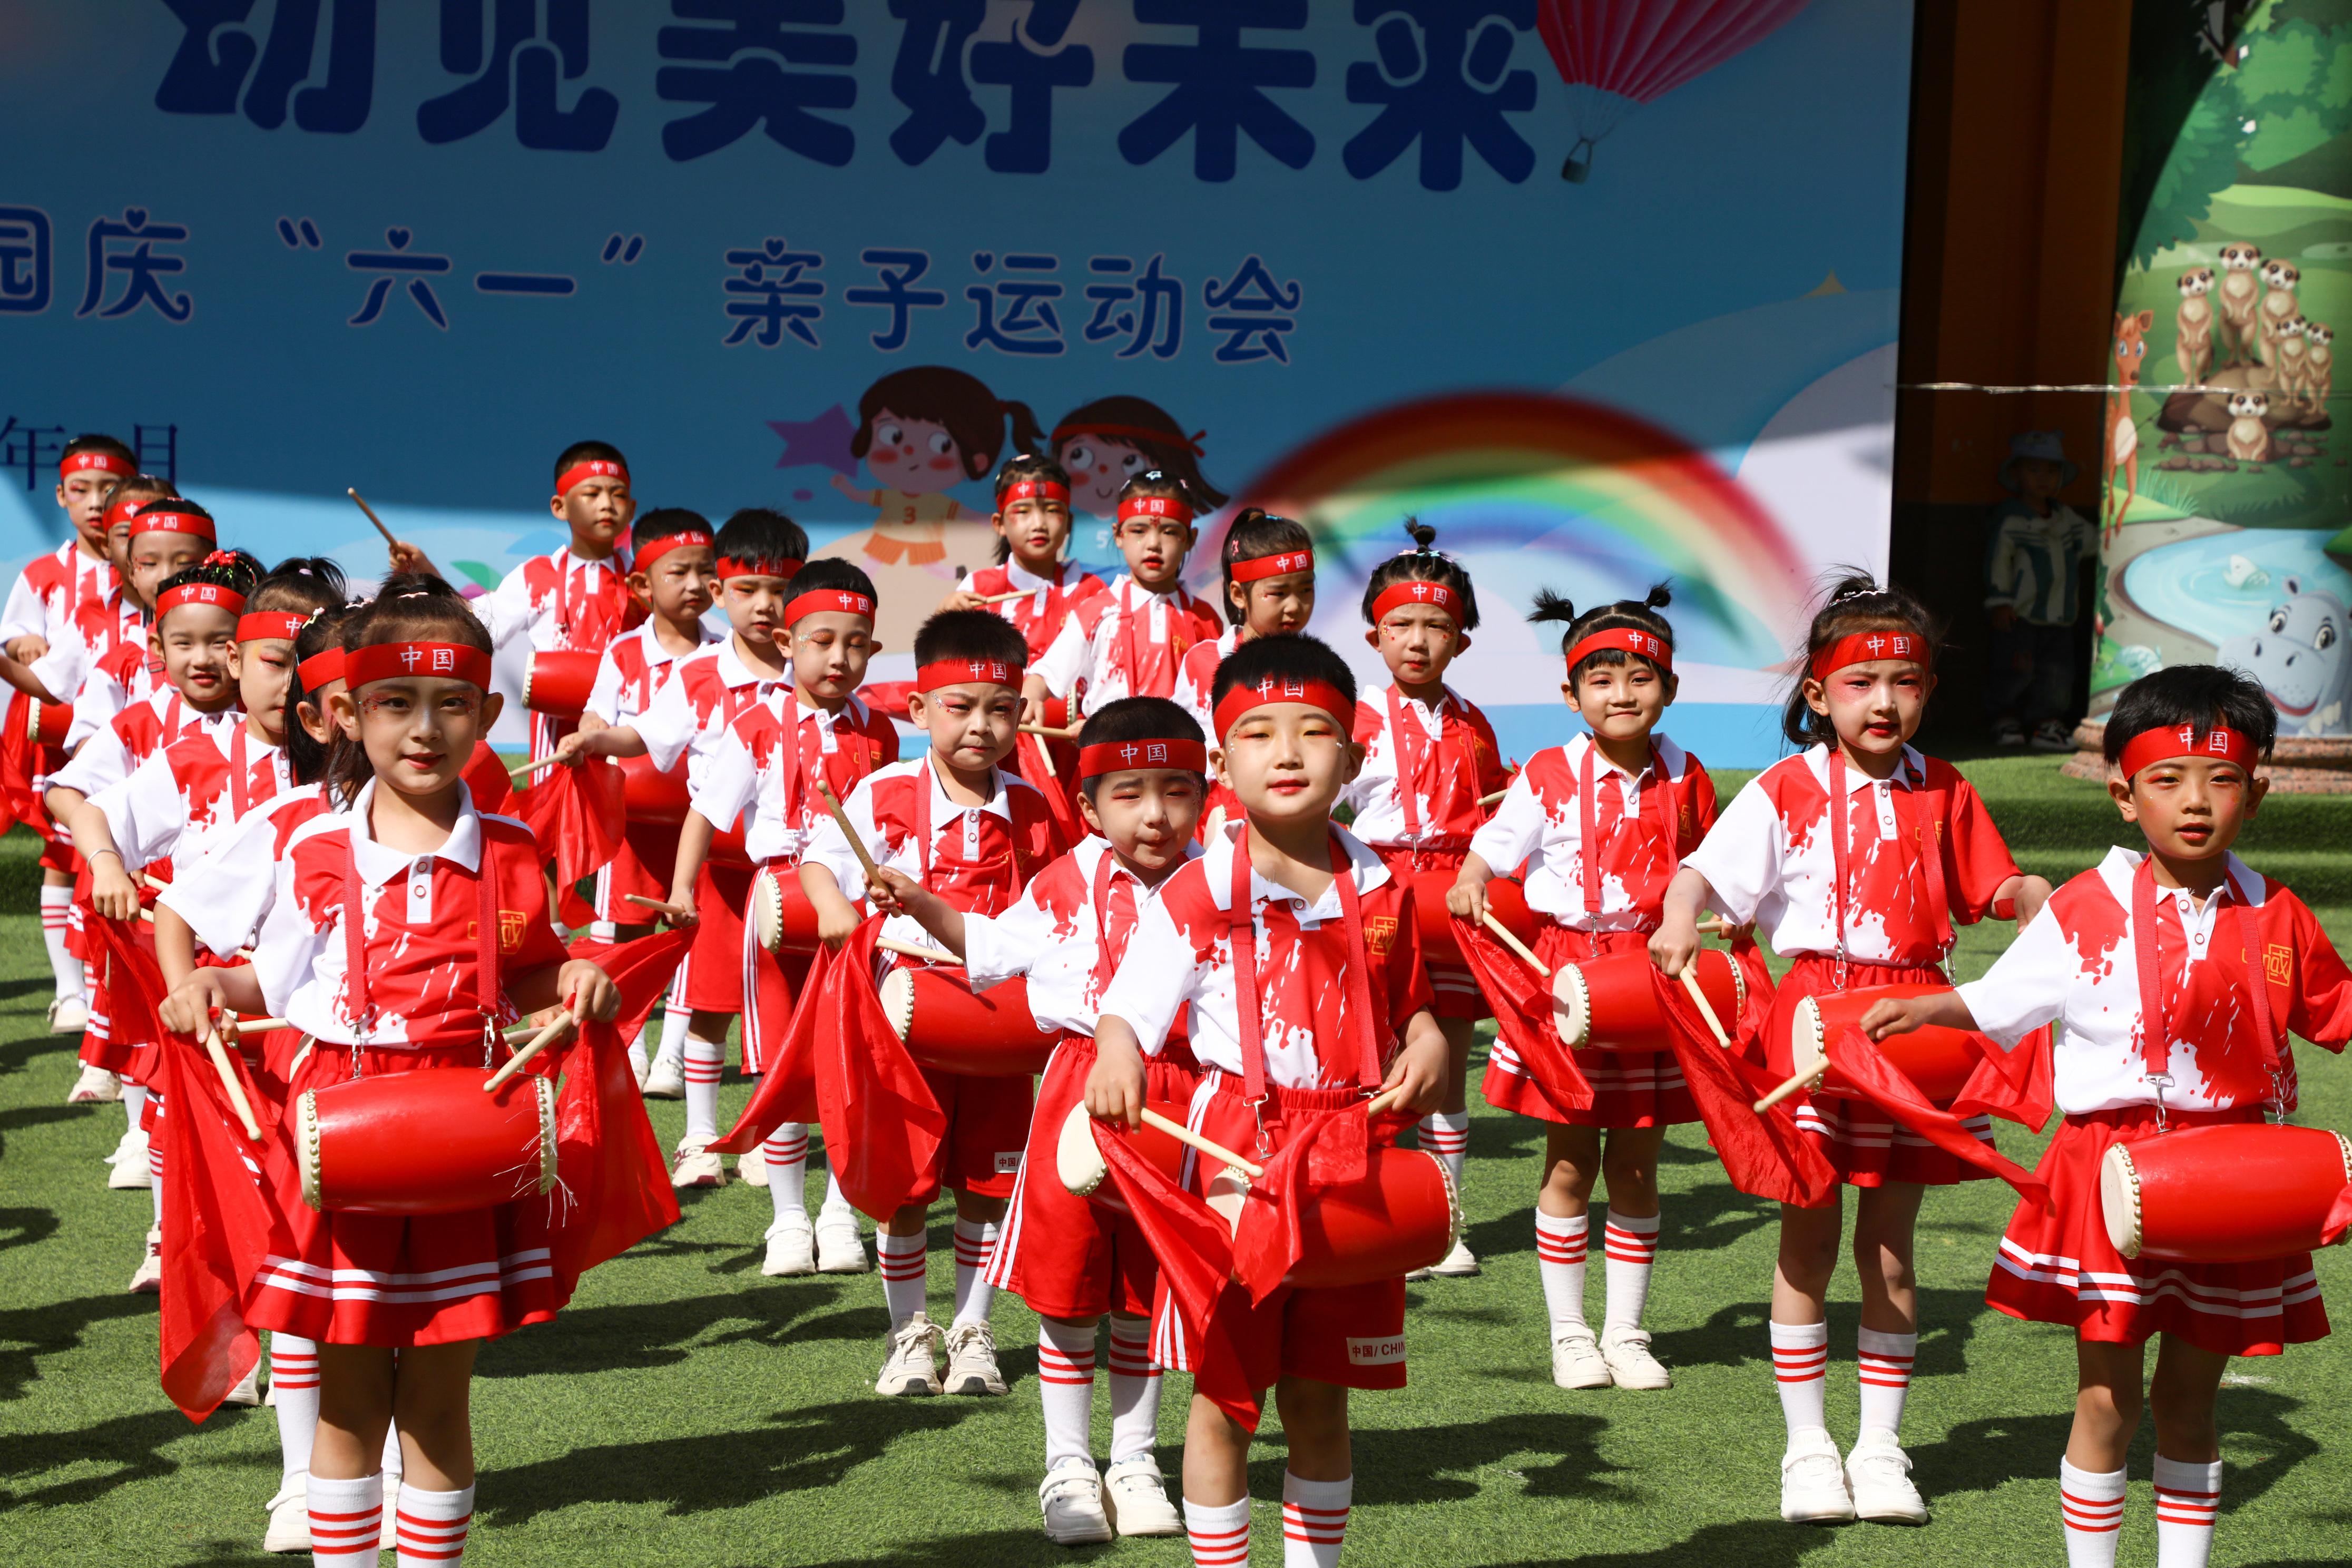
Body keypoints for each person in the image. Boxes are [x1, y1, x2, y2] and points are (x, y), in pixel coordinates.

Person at [155, 584, 628, 1568]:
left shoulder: (512, 850)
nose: (424, 729)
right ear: (346, 712)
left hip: (466, 1128)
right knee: (350, 1393)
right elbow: (271, 979)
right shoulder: (310, 844)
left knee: (441, 1396)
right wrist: (204, 984)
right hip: (339, 1128)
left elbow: (529, 967)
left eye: (451, 705)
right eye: (395, 703)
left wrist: (573, 976)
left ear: (488, 714)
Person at [1862, 664, 2352, 1568]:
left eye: (2222, 779)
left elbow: (2337, 1012)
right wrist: (1924, 1008)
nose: (2195, 801)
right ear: (2124, 797)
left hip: (2239, 1177)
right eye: (2167, 780)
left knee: (2189, 1403)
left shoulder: (2280, 914)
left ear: (2256, 793)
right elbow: (1997, 1000)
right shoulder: (2084, 907)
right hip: (2108, 1169)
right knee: (2105, 1401)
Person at [1650, 573, 2051, 1526]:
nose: (1883, 702)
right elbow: (1701, 874)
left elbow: (1989, 888)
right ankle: (1805, 1448)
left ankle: (1879, 1449)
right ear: (1818, 694)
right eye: (1860, 682)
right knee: (1808, 1241)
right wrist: (1677, 915)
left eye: (1904, 682)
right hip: (1813, 1027)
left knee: (1891, 1251)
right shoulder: (1785, 788)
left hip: (1911, 1026)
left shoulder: (1947, 787)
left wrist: (2028, 893)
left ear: (1927, 691)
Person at [1092, 633, 1449, 1568]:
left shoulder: (1383, 885)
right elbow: (1126, 1010)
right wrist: (1118, 1050)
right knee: (1227, 1398)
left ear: (1354, 758)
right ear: (1221, 763)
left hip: (1353, 1151)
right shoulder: (1196, 890)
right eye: (1257, 733)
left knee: (1321, 1398)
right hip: (1236, 1159)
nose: (1286, 752)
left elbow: (1409, 1005)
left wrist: (1427, 1039)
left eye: (1313, 731)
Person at [869, 696, 1206, 1545]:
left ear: (1207, 796)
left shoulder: (1222, 883)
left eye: (1178, 790)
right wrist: (919, 904)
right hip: (1077, 1090)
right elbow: (988, 945)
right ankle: (1068, 1466)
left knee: (1148, 1289)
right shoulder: (1061, 883)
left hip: (1182, 1101)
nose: (1156, 814)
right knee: (1069, 1289)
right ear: (1087, 807)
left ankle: (1135, 1461)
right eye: (1129, 793)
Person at [800, 609, 1067, 1399]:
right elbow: (820, 861)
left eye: (1002, 709)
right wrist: (834, 906)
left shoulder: (1035, 807)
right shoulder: (882, 793)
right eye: (961, 707)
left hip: (998, 1019)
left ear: (1022, 713)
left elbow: (1058, 908)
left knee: (990, 1181)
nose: (982, 726)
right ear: (919, 709)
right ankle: (909, 1333)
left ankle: (974, 1329)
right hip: (903, 1018)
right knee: (908, 1183)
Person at [1451, 581, 1705, 1384]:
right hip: (1564, 978)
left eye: (1640, 677)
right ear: (1571, 694)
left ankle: (1626, 1333)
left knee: (1636, 1163)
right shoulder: (1548, 772)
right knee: (1568, 1162)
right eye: (1601, 679)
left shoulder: (1687, 773)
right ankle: (1569, 1334)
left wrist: (1720, 922)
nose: (1621, 694)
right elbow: (1495, 846)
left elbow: (1708, 867)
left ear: (1669, 688)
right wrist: (1472, 877)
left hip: (1653, 979)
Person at [556, 508, 805, 1151]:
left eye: (780, 590)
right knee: (710, 1004)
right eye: (748, 589)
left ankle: (771, 1141)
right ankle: (699, 1140)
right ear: (722, 592)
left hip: (793, 875)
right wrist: (595, 740)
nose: (765, 605)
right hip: (717, 870)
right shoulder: (699, 674)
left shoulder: (811, 676)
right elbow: (643, 734)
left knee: (789, 1008)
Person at [681, 558, 896, 1274]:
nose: (839, 658)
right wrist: (682, 892)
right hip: (775, 905)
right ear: (786, 642)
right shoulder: (753, 724)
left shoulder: (880, 732)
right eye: (822, 641)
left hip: (854, 911)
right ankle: (788, 1221)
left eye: (857, 644)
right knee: (780, 1063)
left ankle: (839, 1213)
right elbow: (706, 812)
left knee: (851, 1060)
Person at [1340, 522, 1511, 1283]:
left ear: (1461, 641)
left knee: (1448, 1061)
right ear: (1374, 635)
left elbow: (1498, 815)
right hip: (1378, 896)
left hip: (1457, 904)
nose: (1418, 640)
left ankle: (1445, 1219)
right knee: (1375, 1056)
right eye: (1401, 624)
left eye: (1437, 626)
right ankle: (1384, 1214)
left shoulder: (1475, 723)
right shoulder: (1352, 717)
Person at [574, 509, 720, 1084]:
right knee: (628, 929)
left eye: (705, 571)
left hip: (701, 824)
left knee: (693, 931)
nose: (694, 585)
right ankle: (631, 1043)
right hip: (631, 826)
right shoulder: (623, 652)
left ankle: (673, 1053)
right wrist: (590, 731)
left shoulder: (726, 652)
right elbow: (597, 715)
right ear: (641, 584)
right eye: (678, 572)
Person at [391, 440, 639, 759]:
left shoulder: (643, 580)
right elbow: (478, 622)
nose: (606, 504)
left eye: (618, 495)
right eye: (592, 494)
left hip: (628, 729)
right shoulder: (537, 575)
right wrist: (428, 574)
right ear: (559, 506)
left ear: (631, 509)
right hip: (554, 737)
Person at [7, 436, 136, 1036]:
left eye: (109, 490)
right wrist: (21, 645)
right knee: (65, 856)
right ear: (60, 495)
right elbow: (20, 640)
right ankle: (70, 993)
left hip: (142, 744)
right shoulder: (45, 576)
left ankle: (117, 993)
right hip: (68, 739)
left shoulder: (148, 580)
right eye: (81, 490)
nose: (95, 503)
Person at [1023, 472, 1222, 725]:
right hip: (1110, 747)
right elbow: (1046, 675)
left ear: (1190, 539)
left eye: (1169, 532)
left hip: (1182, 748)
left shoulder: (1205, 618)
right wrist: (1031, 696)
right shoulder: (1096, 611)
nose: (1153, 543)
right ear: (1118, 535)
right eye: (1139, 531)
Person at [1984, 431, 2097, 751]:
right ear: (2016, 474)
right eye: (2034, 470)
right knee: (2014, 668)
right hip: (2021, 614)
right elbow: (1998, 561)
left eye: (2051, 471)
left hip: (2060, 615)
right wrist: (2000, 601)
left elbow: (2093, 541)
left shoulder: (2065, 517)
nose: (2043, 478)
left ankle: (2046, 723)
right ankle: (2005, 718)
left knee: (2057, 674)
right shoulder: (2011, 519)